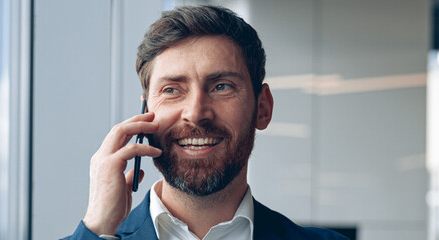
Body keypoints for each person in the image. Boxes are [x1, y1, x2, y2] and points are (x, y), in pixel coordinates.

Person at [64, 5, 348, 240]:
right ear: (145, 110)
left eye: (221, 86)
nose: (196, 113)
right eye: (172, 90)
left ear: (263, 108)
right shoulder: (100, 234)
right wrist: (98, 227)